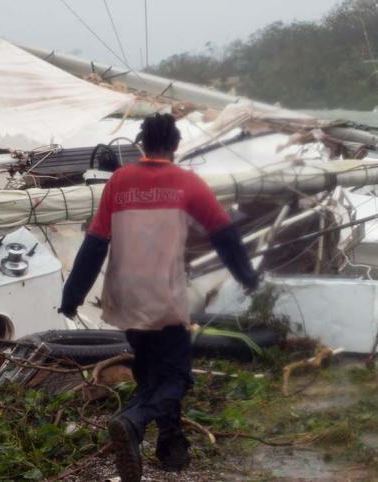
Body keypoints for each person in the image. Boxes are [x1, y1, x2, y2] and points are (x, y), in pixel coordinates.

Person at [59, 113, 259, 482]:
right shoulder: (186, 183)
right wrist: (247, 277)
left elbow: (95, 243)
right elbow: (224, 234)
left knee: (151, 371)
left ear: (142, 145)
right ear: (175, 145)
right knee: (177, 376)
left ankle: (171, 448)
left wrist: (72, 296)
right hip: (164, 297)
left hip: (125, 297)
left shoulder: (119, 181)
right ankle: (132, 421)